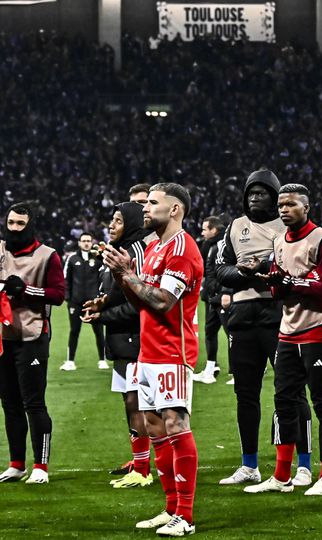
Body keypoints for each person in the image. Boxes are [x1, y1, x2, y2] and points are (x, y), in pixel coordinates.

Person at [101, 182, 203, 536]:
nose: (144, 209)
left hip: (173, 352)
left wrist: (127, 274)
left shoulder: (181, 249)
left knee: (176, 426)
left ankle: (185, 516)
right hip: (148, 351)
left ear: (174, 209)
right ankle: (170, 508)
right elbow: (141, 300)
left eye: (153, 203)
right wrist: (121, 274)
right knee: (156, 430)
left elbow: (162, 302)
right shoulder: (156, 246)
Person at [243, 184, 322, 496]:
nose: (284, 210)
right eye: (281, 206)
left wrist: (291, 282)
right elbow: (280, 288)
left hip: (320, 332)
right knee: (284, 402)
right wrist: (275, 283)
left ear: (306, 207)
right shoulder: (278, 241)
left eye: (290, 205)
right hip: (288, 333)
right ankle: (281, 476)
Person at [215, 169, 313, 487]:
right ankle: (249, 465)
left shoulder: (287, 227)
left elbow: (298, 265)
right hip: (242, 319)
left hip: (279, 315)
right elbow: (218, 269)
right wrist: (245, 272)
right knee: (246, 394)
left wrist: (265, 267)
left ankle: (304, 464)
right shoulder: (234, 228)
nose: (255, 198)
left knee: (292, 391)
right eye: (251, 193)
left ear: (275, 197)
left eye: (262, 193)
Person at [81, 202, 153, 487]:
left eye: (118, 220)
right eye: (111, 220)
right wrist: (102, 303)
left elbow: (140, 303)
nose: (111, 225)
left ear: (132, 224)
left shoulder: (133, 252)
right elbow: (118, 293)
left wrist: (103, 315)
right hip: (122, 340)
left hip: (136, 339)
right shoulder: (119, 249)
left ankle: (143, 469)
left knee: (137, 403)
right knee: (130, 401)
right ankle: (139, 462)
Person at [0, 202, 65, 485]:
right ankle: (16, 464)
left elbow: (58, 295)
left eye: (19, 224)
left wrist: (25, 290)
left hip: (32, 336)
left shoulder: (48, 256)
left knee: (34, 404)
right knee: (9, 403)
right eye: (11, 223)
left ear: (31, 225)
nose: (14, 228)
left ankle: (41, 465)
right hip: (3, 338)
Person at [62, 232, 107, 371]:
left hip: (94, 302)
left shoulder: (98, 259)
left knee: (99, 331)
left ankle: (102, 360)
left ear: (91, 242)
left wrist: (101, 296)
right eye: (84, 241)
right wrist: (68, 298)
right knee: (74, 330)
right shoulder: (72, 258)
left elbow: (104, 277)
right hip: (76, 302)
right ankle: (70, 361)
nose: (86, 243)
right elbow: (66, 279)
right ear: (80, 243)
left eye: (88, 240)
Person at [194, 216, 226, 384]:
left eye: (205, 229)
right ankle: (210, 368)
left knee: (232, 335)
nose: (202, 232)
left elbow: (220, 271)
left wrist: (220, 292)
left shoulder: (224, 245)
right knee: (210, 332)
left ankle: (238, 373)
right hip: (213, 297)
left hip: (223, 297)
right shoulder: (210, 245)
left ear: (214, 230)